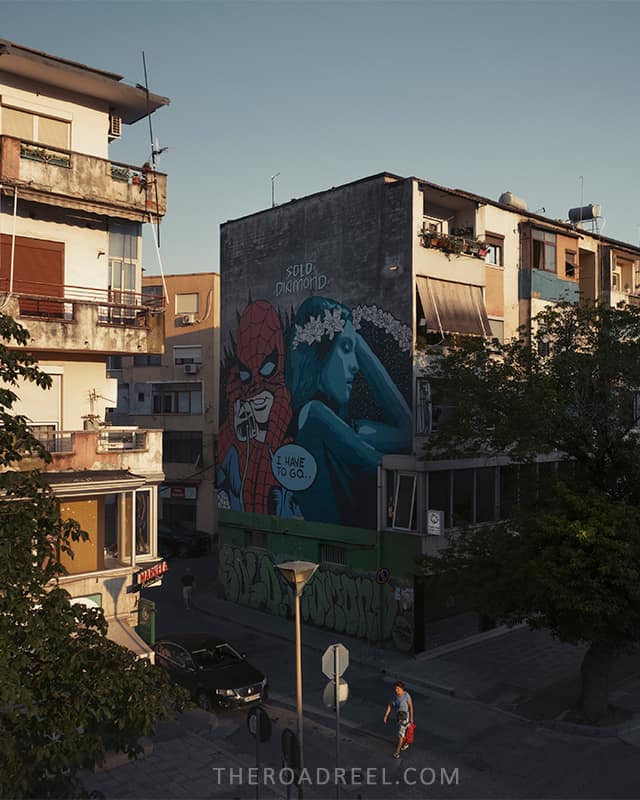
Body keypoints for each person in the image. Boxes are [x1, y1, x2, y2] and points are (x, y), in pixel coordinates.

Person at [285, 296, 412, 528]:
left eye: (356, 352)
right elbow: (382, 463)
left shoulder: (344, 428)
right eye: (345, 348)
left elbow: (409, 432)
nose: (355, 365)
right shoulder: (315, 415)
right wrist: (360, 345)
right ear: (317, 351)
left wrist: (357, 343)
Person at [383, 681, 414, 758]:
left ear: (402, 689)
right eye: (395, 688)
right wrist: (386, 715)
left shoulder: (406, 695)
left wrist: (411, 718)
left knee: (401, 735)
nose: (396, 690)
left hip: (405, 718)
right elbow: (390, 705)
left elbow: (410, 707)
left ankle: (397, 752)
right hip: (398, 718)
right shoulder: (394, 697)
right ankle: (405, 744)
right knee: (403, 734)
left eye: (398, 688)